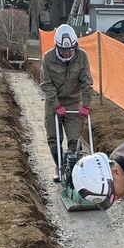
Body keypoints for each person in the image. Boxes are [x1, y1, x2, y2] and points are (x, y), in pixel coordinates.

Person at [40, 24, 93, 182]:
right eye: (64, 50)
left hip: (72, 103)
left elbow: (86, 82)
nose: (68, 52)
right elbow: (46, 85)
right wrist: (57, 106)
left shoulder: (81, 56)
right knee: (53, 138)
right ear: (57, 47)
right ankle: (59, 166)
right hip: (53, 103)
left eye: (71, 49)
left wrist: (86, 106)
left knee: (74, 139)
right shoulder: (48, 58)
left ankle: (75, 174)